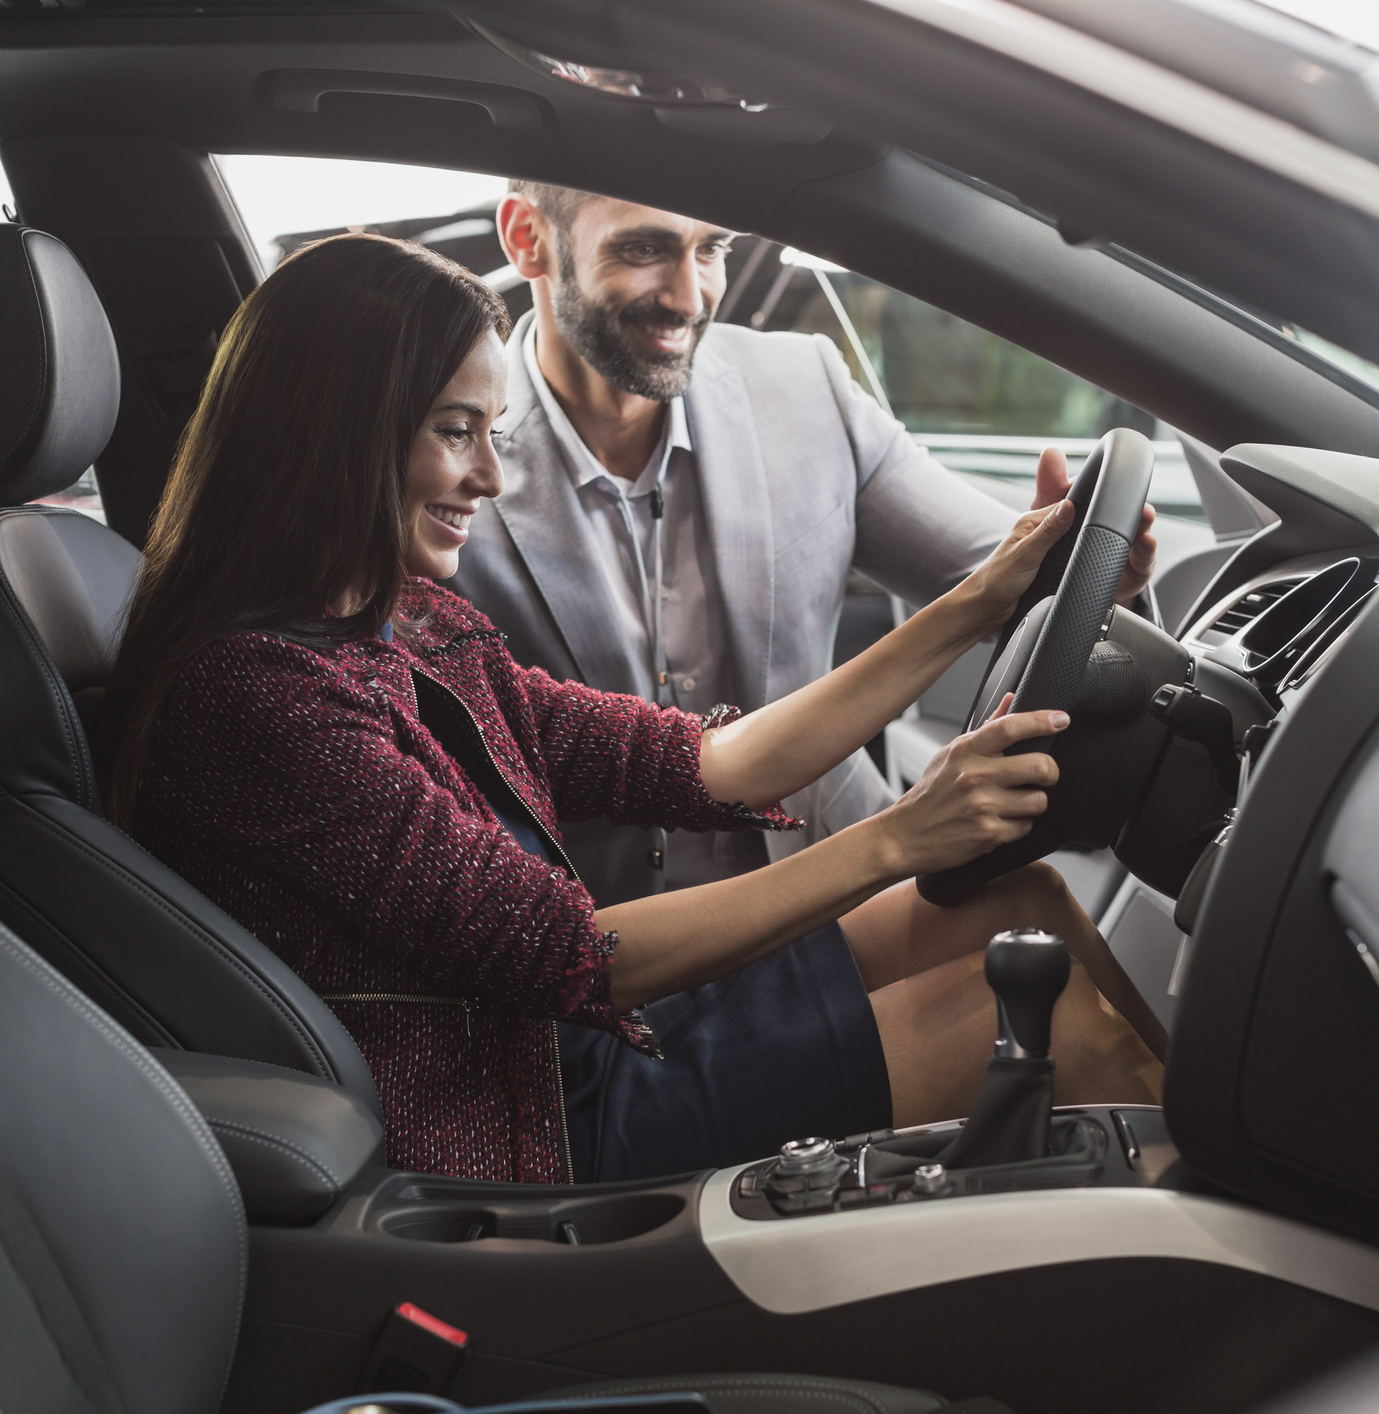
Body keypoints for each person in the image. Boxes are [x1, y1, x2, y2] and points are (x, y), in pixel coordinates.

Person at [107, 234, 1167, 1184]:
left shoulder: (411, 624)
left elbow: (707, 764)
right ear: (340, 434)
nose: (487, 473)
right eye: (455, 431)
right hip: (531, 1122)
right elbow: (571, 954)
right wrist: (896, 838)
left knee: (1019, 901)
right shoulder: (257, 694)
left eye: (490, 430)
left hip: (584, 1044)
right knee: (1046, 1021)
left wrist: (981, 598)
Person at [450, 182, 1158, 905]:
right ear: (527, 238)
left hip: (844, 882)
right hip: (619, 942)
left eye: (712, 248)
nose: (689, 297)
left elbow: (1007, 581)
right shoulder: (446, 460)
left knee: (1035, 904)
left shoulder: (803, 386)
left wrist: (1093, 565)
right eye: (642, 249)